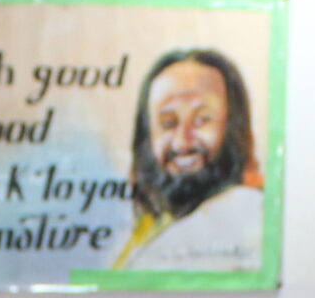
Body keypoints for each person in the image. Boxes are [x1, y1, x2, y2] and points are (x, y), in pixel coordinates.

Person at [110, 47, 264, 272]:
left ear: (233, 128)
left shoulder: (247, 211)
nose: (182, 142)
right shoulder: (148, 228)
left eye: (202, 120)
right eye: (168, 123)